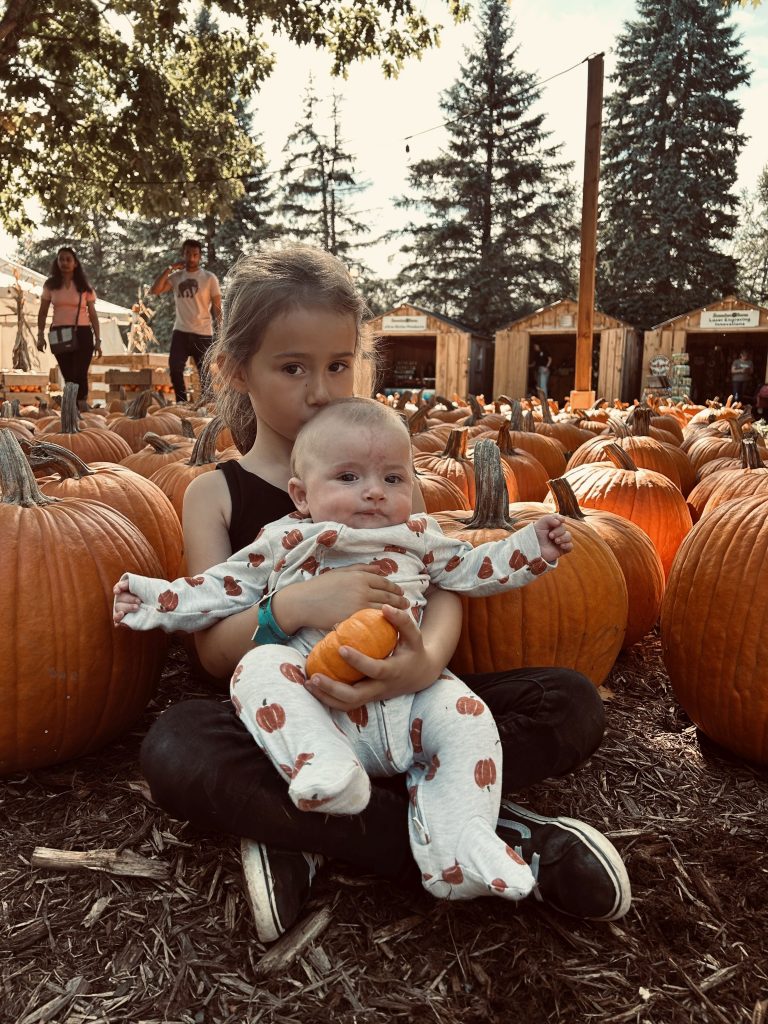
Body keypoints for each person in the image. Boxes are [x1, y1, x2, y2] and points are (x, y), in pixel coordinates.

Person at [138, 243, 631, 943]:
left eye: (339, 365)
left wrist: (425, 663)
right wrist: (295, 607)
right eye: (292, 368)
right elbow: (214, 655)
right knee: (177, 747)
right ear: (236, 368)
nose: (321, 390)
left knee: (570, 702)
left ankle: (312, 835)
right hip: (294, 716)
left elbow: (442, 579)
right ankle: (480, 837)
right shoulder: (214, 494)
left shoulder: (382, 469)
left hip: (408, 705)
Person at [116, 398, 581, 904]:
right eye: (348, 478)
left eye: (393, 480)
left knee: (490, 712)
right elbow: (218, 587)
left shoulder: (417, 536)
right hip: (313, 702)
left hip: (411, 700)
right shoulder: (286, 539)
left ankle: (449, 839)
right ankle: (347, 783)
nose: (374, 493)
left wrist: (532, 548)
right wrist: (153, 599)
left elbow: (472, 569)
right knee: (250, 676)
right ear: (301, 495)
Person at [150, 239, 222, 403]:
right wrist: (170, 268)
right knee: (175, 369)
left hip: (203, 332)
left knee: (204, 373)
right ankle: (181, 403)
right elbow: (155, 290)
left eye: (195, 254)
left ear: (200, 256)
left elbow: (217, 307)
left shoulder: (209, 278)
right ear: (183, 254)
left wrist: (221, 331)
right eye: (188, 254)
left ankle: (207, 405)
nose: (191, 258)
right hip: (181, 331)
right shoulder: (176, 277)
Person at [37, 246, 102, 409]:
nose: (64, 262)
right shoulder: (50, 285)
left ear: (75, 263)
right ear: (57, 262)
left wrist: (98, 340)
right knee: (68, 373)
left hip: (82, 332)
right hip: (59, 332)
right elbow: (43, 311)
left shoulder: (84, 286)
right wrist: (40, 335)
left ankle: (81, 404)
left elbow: (93, 314)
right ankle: (72, 407)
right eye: (61, 259)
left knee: (80, 372)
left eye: (68, 259)